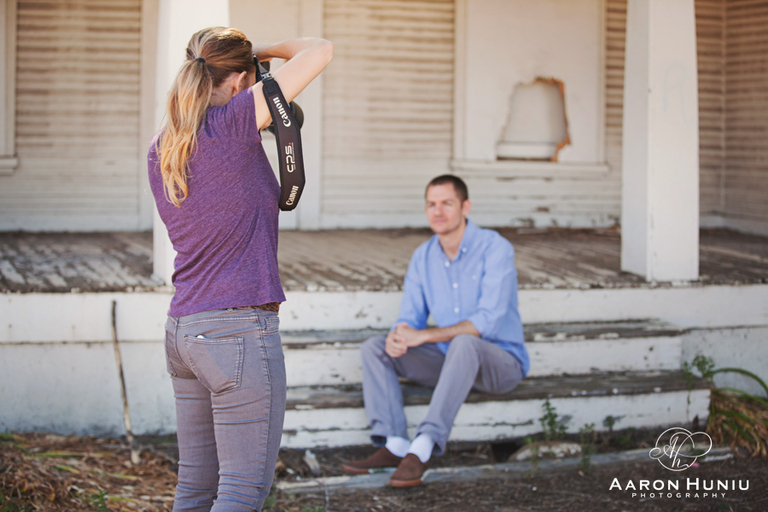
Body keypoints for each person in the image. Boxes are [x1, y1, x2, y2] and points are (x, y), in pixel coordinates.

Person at [147, 27, 332, 511]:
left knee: (194, 489)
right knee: (242, 490)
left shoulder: (162, 147)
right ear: (239, 82)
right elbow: (321, 50)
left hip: (184, 331)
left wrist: (251, 64)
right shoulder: (232, 123)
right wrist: (265, 48)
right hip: (237, 333)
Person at [342, 175, 530, 487]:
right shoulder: (423, 256)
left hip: (500, 365)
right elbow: (410, 317)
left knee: (466, 342)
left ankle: (424, 446)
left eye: (447, 203)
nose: (437, 211)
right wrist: (398, 335)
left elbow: (487, 321)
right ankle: (396, 444)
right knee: (374, 348)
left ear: (465, 206)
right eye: (431, 204)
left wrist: (425, 336)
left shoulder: (496, 249)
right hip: (448, 363)